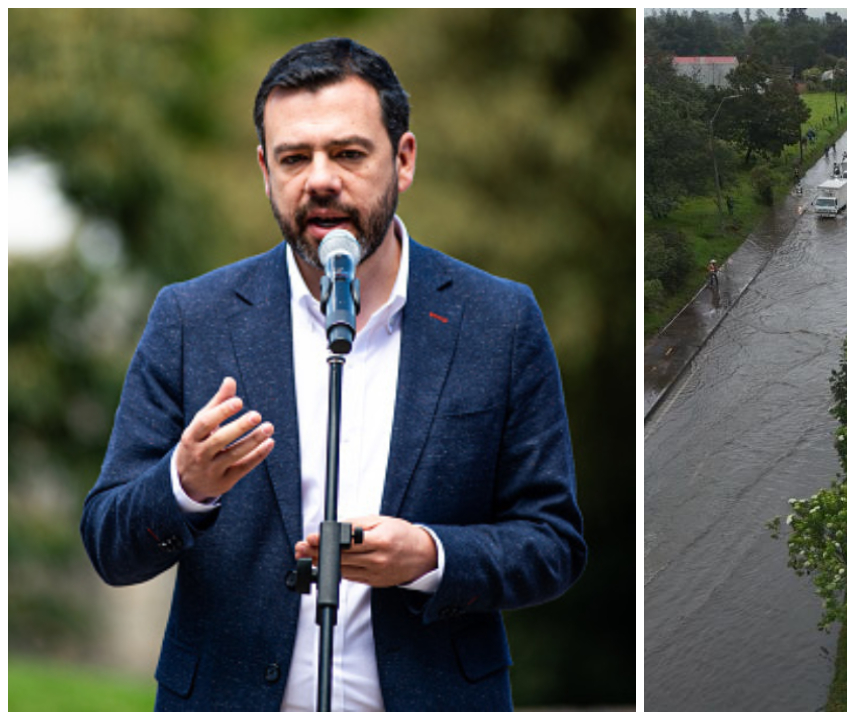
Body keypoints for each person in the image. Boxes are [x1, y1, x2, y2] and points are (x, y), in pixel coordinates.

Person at [80, 37, 586, 712]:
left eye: (349, 153)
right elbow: (110, 545)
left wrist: (431, 556)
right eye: (294, 157)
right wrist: (184, 486)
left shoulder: (500, 320)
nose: (320, 179)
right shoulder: (189, 318)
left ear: (402, 160)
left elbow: (553, 542)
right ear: (265, 170)